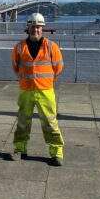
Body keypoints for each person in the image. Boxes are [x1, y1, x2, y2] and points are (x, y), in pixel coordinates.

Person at [10, 13, 65, 166]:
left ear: (43, 29)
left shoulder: (51, 46)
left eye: (39, 27)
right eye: (33, 26)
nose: (36, 29)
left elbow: (58, 67)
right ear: (28, 28)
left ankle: (56, 153)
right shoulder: (19, 47)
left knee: (50, 123)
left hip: (45, 90)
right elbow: (16, 67)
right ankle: (20, 149)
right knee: (22, 122)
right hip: (26, 90)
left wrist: (46, 80)